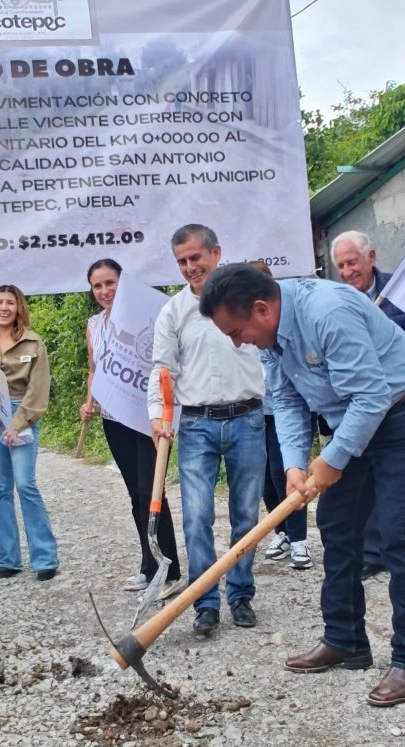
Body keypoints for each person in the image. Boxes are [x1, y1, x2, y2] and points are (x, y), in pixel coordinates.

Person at [199, 264, 405, 707]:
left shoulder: (327, 312)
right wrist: (295, 464)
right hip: (357, 418)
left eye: (237, 332)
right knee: (336, 523)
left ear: (261, 309)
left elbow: (372, 395)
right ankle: (345, 639)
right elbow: (286, 399)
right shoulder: (269, 336)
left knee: (397, 533)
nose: (238, 342)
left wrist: (333, 459)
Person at [148, 225, 265, 637]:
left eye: (195, 257)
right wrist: (157, 415)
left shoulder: (245, 299)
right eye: (181, 261)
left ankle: (241, 595)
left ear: (216, 253)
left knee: (246, 515)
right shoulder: (173, 312)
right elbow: (163, 368)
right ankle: (205, 603)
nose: (189, 267)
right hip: (196, 425)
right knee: (196, 518)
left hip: (248, 419)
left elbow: (270, 349)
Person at [332, 230, 405, 580]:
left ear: (371, 258)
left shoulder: (402, 290)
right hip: (361, 404)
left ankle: (397, 548)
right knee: (365, 479)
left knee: (397, 482)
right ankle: (372, 551)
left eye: (352, 263)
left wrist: (388, 348)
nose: (347, 272)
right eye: (340, 266)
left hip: (404, 401)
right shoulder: (338, 301)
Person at [79, 258, 183, 596]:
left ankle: (167, 567)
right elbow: (95, 369)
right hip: (114, 419)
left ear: (122, 283)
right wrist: (90, 401)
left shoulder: (144, 315)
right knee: (135, 496)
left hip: (148, 418)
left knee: (150, 491)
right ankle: (148, 565)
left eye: (110, 283)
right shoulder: (94, 324)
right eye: (97, 286)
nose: (104, 291)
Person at [0, 285, 59, 581]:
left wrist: (18, 423)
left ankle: (45, 557)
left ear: (18, 307)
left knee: (25, 484)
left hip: (22, 413)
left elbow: (38, 389)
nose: (4, 308)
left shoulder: (33, 342)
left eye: (10, 303)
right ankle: (8, 558)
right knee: (2, 488)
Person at [249, 261, 311, 570]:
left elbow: (285, 385)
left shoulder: (281, 325)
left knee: (284, 472)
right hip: (254, 412)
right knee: (264, 480)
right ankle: (282, 532)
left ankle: (299, 540)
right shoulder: (240, 327)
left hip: (282, 409)